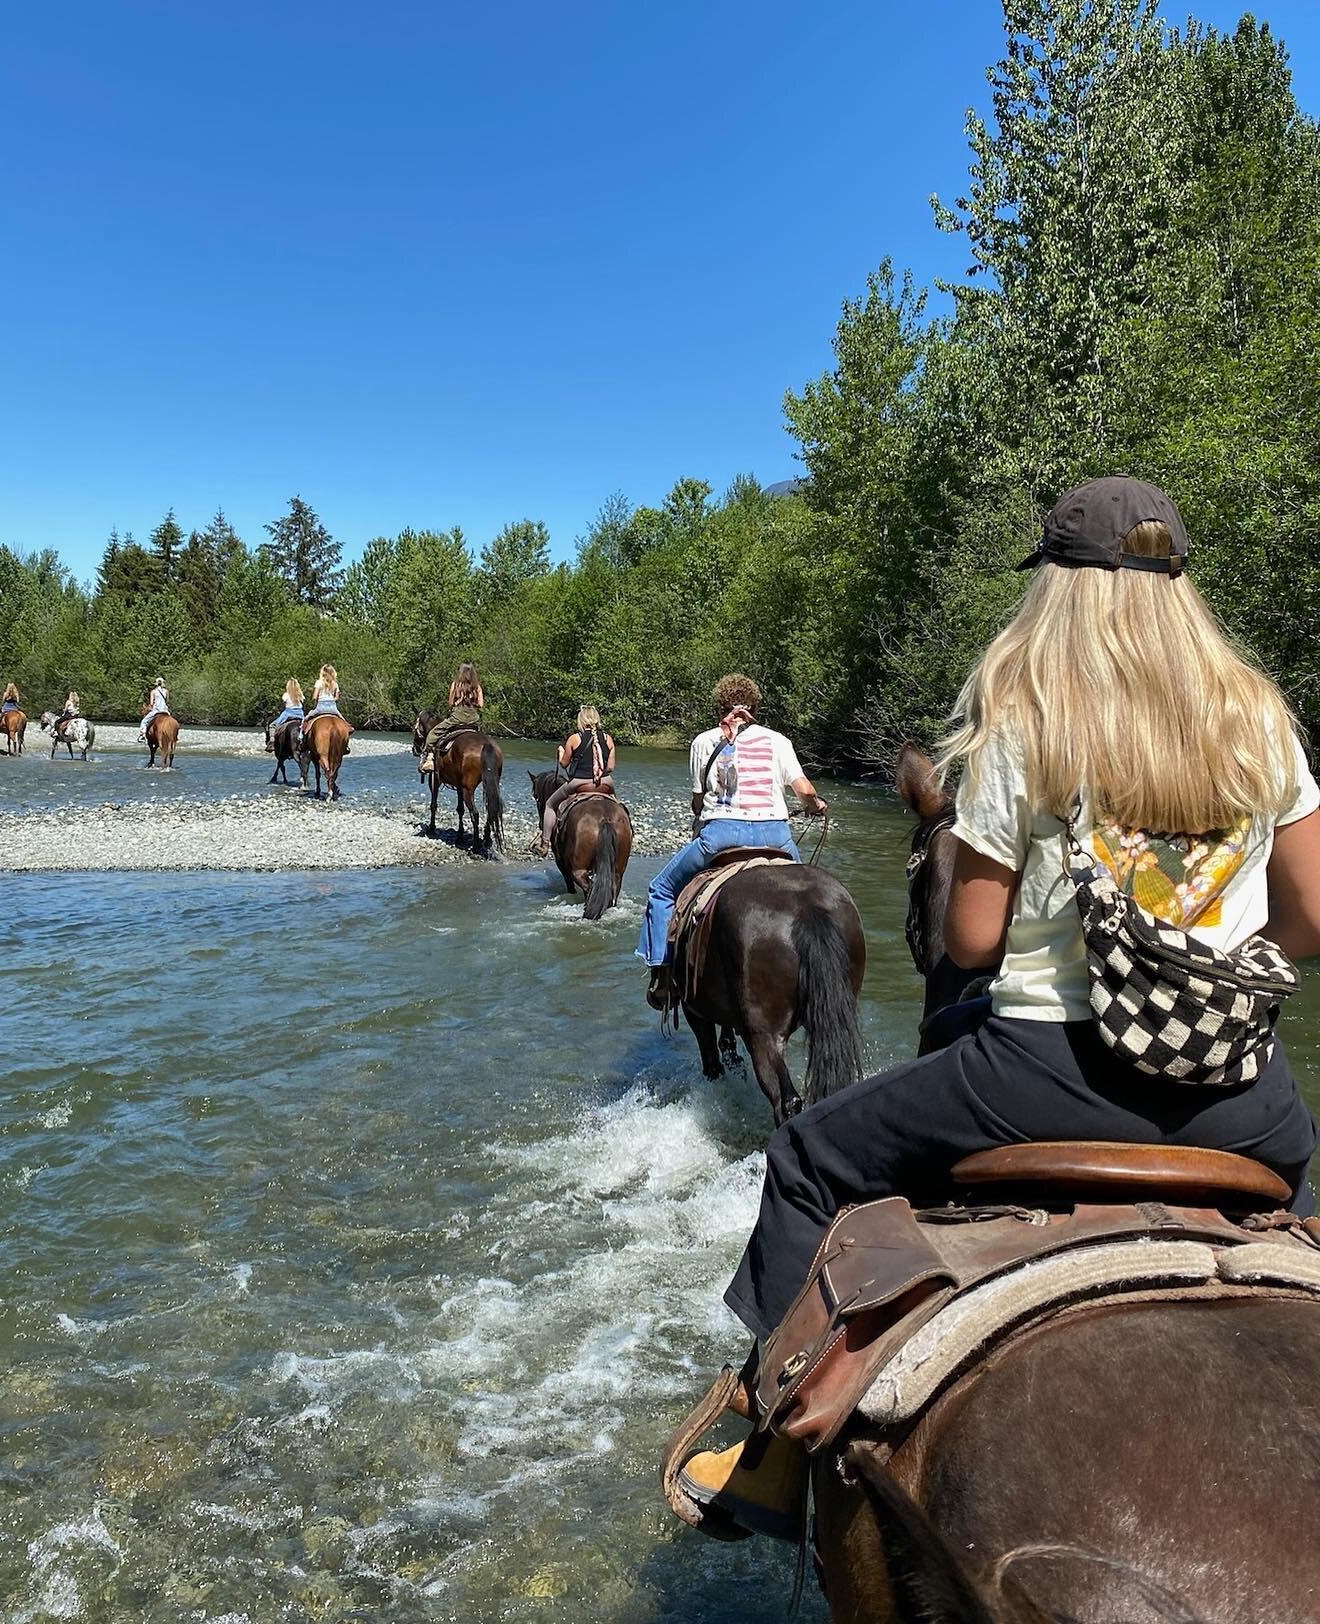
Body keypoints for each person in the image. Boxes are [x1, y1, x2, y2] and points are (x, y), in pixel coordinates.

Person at [679, 477, 1320, 1542]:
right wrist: (1210, 939)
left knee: (806, 1160)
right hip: (1244, 1098)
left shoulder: (1031, 716)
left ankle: (773, 1449)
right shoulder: (1259, 721)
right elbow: (1310, 920)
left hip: (1041, 1074)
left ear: (1059, 590)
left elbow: (972, 940)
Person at [637, 675, 827, 1011]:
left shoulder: (703, 742)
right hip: (776, 837)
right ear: (756, 708)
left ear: (720, 708)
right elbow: (806, 791)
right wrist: (816, 806)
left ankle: (663, 974)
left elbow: (698, 801)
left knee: (661, 890)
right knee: (811, 896)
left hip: (721, 836)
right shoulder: (778, 741)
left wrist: (704, 810)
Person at [542, 704, 618, 850]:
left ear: (581, 720)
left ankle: (544, 843)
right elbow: (610, 768)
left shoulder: (574, 739)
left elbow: (564, 764)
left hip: (579, 783)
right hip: (605, 783)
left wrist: (560, 753)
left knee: (550, 805)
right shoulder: (608, 739)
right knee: (618, 805)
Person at [419, 663, 485, 774]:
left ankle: (430, 759)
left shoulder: (456, 685)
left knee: (433, 734)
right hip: (473, 720)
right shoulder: (477, 687)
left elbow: (450, 703)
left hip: (457, 719)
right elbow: (481, 705)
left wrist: (458, 702)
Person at [301, 664, 342, 736]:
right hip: (333, 708)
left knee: (305, 719)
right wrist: (331, 699)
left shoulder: (318, 682)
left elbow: (314, 697)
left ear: (322, 672)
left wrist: (317, 701)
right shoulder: (335, 683)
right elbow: (337, 698)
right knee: (343, 721)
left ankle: (301, 737)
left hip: (321, 707)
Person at [138, 677, 169, 743]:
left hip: (157, 710)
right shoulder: (166, 691)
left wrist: (148, 709)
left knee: (144, 721)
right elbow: (167, 701)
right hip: (165, 710)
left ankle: (142, 736)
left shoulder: (153, 691)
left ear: (156, 684)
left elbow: (151, 703)